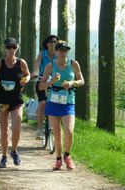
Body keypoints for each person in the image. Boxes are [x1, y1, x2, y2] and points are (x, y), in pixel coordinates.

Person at [39, 40, 84, 170]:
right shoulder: (50, 66)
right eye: (61, 50)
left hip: (68, 102)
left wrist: (72, 83)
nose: (64, 53)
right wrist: (51, 82)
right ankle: (58, 159)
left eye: (66, 50)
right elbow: (41, 86)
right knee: (57, 133)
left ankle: (67, 155)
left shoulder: (73, 63)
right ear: (56, 51)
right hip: (53, 102)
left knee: (69, 131)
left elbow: (82, 80)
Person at [0, 37, 30, 168]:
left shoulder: (21, 63)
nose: (11, 49)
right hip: (2, 100)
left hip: (16, 99)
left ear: (17, 48)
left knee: (17, 127)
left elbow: (27, 74)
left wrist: (25, 80)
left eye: (14, 47)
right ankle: (4, 157)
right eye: (9, 47)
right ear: (4, 48)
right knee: (4, 130)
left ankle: (14, 151)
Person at [31, 35, 59, 140]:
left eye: (55, 42)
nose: (53, 44)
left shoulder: (58, 54)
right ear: (46, 44)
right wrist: (35, 73)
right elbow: (37, 64)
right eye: (51, 42)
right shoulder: (42, 54)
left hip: (56, 82)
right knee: (43, 103)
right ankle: (39, 129)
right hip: (42, 80)